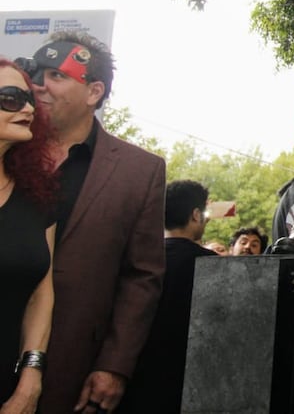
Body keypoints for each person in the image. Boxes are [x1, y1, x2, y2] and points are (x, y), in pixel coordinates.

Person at [19, 33, 166, 414]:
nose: (40, 85)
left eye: (56, 75)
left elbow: (142, 276)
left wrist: (114, 365)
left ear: (93, 91)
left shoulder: (140, 172)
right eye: (36, 72)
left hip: (72, 363)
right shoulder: (7, 150)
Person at [118, 180, 217, 414]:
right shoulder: (213, 265)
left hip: (133, 376)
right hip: (186, 382)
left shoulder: (135, 257)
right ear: (195, 214)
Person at [0, 60, 57, 412]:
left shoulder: (39, 195)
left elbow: (42, 293)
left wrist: (30, 379)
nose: (28, 108)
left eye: (29, 99)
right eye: (10, 98)